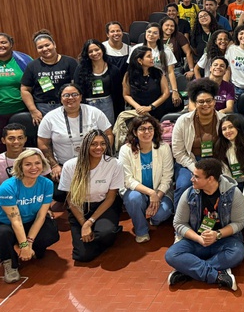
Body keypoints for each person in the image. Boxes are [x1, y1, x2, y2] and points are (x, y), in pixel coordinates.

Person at [165, 158, 244, 291]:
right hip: (197, 240)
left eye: (196, 177)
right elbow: (179, 223)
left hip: (224, 240)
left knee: (237, 253)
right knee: (171, 254)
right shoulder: (189, 194)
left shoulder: (234, 194)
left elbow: (239, 222)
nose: (191, 179)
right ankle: (217, 276)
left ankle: (188, 271)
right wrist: (198, 238)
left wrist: (217, 234)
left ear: (210, 179)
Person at [59, 130, 123, 262]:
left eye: (102, 144)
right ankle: (94, 236)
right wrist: (84, 223)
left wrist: (90, 222)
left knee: (105, 234)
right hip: (80, 208)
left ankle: (109, 231)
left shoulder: (114, 164)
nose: (99, 148)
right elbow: (71, 199)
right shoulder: (70, 166)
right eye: (94, 144)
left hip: (104, 205)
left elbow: (111, 197)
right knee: (82, 256)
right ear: (85, 145)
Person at [0, 149, 59, 283]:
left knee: (50, 234)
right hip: (7, 223)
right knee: (2, 234)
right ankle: (9, 262)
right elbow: (15, 220)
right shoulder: (7, 187)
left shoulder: (47, 184)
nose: (33, 168)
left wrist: (29, 244)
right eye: (28, 164)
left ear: (43, 165)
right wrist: (24, 244)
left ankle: (31, 247)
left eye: (37, 163)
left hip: (31, 221)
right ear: (20, 166)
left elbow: (41, 216)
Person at [37, 83, 113, 184]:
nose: (71, 98)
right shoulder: (50, 118)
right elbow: (43, 144)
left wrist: (102, 156)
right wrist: (54, 165)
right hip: (63, 166)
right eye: (66, 95)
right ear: (60, 99)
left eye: (75, 94)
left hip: (94, 162)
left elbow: (108, 134)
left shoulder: (94, 113)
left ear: (81, 97)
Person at [118, 115, 174, 243]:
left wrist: (157, 196)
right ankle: (141, 229)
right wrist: (151, 193)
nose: (147, 132)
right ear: (134, 132)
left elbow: (167, 177)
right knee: (134, 199)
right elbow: (128, 180)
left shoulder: (164, 147)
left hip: (160, 190)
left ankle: (153, 219)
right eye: (142, 129)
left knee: (161, 214)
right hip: (137, 191)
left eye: (150, 128)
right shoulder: (125, 150)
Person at [171, 78, 224, 206]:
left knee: (224, 184)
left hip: (215, 161)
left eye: (208, 101)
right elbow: (178, 152)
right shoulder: (183, 121)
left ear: (214, 101)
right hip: (189, 161)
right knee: (184, 185)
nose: (205, 104)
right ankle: (179, 220)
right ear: (195, 103)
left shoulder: (223, 119)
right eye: (201, 101)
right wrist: (195, 168)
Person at [213, 115, 244, 235]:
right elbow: (226, 175)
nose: (227, 131)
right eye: (224, 129)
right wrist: (235, 193)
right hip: (235, 184)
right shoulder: (220, 146)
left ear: (238, 127)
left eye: (231, 127)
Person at [20, 30, 78, 124]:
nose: (45, 49)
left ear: (54, 44)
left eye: (47, 45)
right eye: (40, 47)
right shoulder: (32, 66)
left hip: (67, 105)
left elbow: (78, 85)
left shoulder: (70, 62)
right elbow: (25, 89)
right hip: (43, 108)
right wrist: (33, 110)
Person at [74, 39, 122, 124]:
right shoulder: (81, 69)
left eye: (97, 50)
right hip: (88, 104)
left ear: (102, 50)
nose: (94, 53)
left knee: (108, 131)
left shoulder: (113, 69)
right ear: (87, 54)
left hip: (107, 104)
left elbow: (118, 93)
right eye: (90, 51)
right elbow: (77, 89)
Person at [122, 47, 172, 121]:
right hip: (138, 112)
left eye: (152, 56)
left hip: (157, 109)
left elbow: (166, 93)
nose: (152, 58)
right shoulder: (129, 75)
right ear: (139, 60)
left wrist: (150, 107)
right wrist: (138, 107)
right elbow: (126, 95)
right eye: (149, 56)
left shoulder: (158, 73)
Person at [0, 33, 32, 141]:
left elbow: (37, 80)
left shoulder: (24, 59)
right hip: (0, 114)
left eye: (3, 42)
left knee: (22, 143)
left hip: (21, 111)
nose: (1, 46)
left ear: (11, 43)